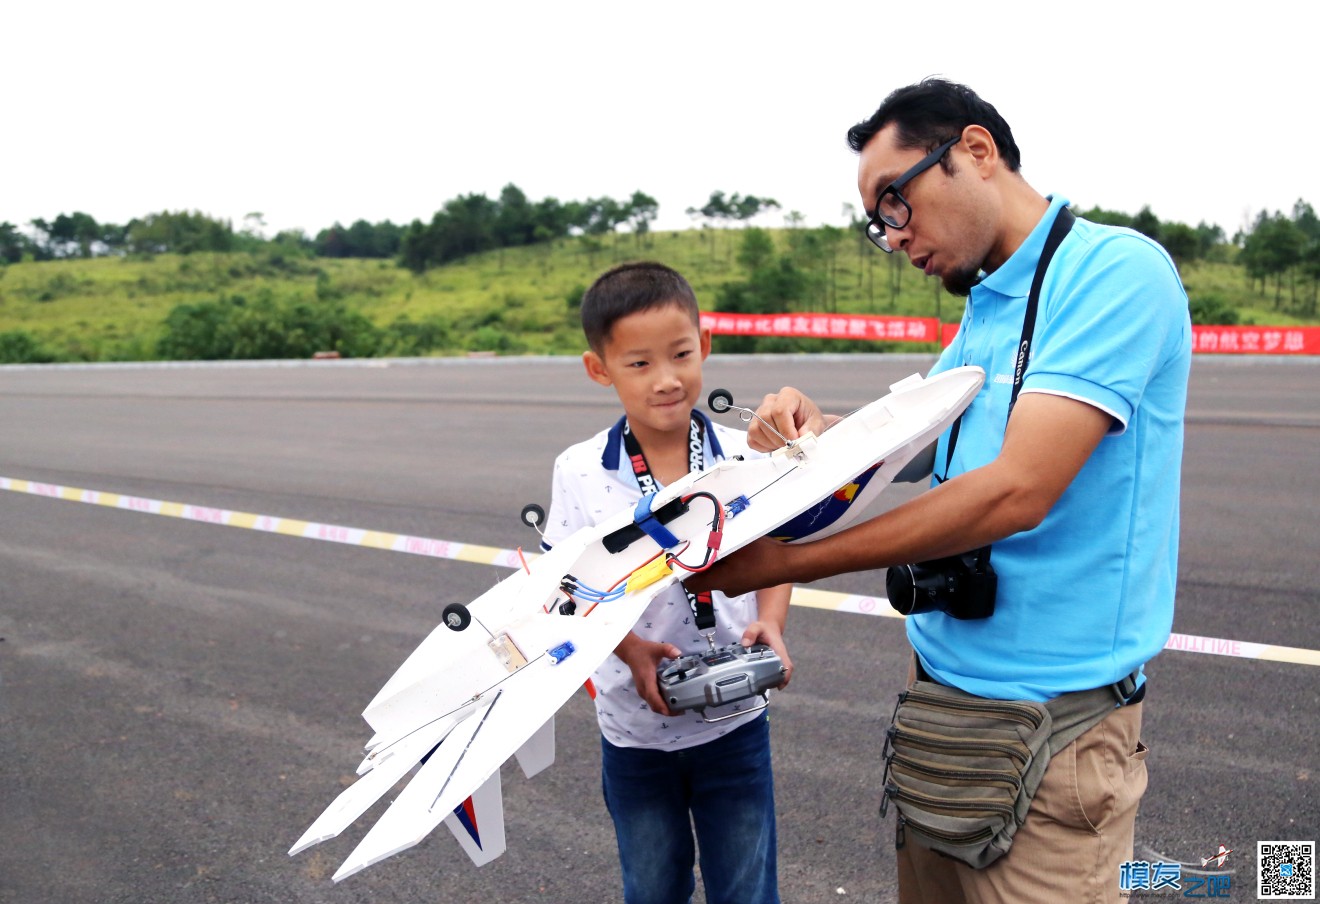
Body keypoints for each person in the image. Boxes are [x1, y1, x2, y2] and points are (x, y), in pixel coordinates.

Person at [687, 78, 1191, 904]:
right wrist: (821, 434)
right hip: (942, 721)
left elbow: (1016, 491)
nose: (893, 237)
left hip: (1052, 740)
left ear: (975, 152)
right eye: (878, 221)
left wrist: (793, 560)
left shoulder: (1113, 275)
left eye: (897, 202)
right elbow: (917, 443)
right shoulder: (985, 309)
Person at [539, 260, 793, 904]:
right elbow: (563, 590)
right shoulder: (579, 472)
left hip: (738, 723)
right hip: (633, 732)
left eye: (681, 354)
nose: (667, 380)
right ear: (600, 369)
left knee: (748, 889)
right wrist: (629, 651)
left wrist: (773, 622)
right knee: (651, 887)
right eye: (639, 363)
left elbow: (778, 548)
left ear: (705, 345)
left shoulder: (743, 456)